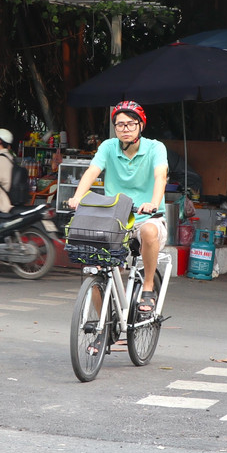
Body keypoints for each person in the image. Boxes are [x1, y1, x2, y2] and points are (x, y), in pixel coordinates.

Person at [66, 101, 168, 313]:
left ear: (141, 125)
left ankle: (148, 287)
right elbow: (92, 171)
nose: (125, 129)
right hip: (114, 221)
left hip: (147, 216)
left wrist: (153, 203)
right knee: (94, 270)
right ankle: (103, 326)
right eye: (120, 125)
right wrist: (77, 197)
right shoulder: (108, 147)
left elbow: (160, 176)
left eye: (130, 124)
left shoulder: (155, 148)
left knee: (149, 231)